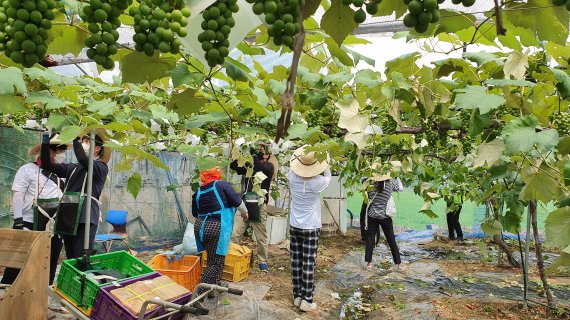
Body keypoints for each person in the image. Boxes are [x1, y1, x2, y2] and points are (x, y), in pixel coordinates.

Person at [1, 135, 68, 286]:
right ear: (45, 151)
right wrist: (19, 221)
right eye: (55, 150)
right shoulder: (27, 170)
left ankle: (42, 293)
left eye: (60, 150)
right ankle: (6, 292)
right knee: (17, 262)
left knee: (48, 263)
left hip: (52, 225)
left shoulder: (62, 173)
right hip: (28, 222)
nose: (58, 153)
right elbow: (18, 194)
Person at [41, 131, 110, 259]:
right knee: (71, 257)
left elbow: (83, 159)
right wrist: (45, 143)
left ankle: (84, 277)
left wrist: (75, 136)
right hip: (69, 214)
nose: (84, 144)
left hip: (85, 215)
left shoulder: (101, 167)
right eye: (83, 141)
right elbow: (46, 164)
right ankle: (73, 278)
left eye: (88, 141)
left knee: (81, 256)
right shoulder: (73, 167)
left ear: (97, 148)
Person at [288, 146, 331, 312]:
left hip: (295, 225)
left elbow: (292, 167)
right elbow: (327, 175)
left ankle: (297, 296)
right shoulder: (317, 183)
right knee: (308, 263)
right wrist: (324, 162)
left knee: (296, 261)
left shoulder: (292, 178)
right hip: (311, 227)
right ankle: (307, 299)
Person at [192, 166, 248, 294]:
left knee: (214, 259)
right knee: (215, 263)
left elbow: (195, 213)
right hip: (216, 226)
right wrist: (245, 214)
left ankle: (214, 288)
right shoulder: (222, 185)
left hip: (200, 226)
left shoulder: (198, 192)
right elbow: (238, 202)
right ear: (217, 174)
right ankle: (197, 295)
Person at [229, 143, 274, 271]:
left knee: (261, 236)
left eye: (264, 150)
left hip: (259, 204)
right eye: (260, 149)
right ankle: (232, 257)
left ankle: (263, 261)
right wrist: (239, 153)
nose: (261, 151)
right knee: (235, 233)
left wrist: (252, 155)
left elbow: (260, 168)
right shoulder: (250, 165)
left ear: (268, 154)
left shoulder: (268, 167)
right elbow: (234, 166)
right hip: (246, 202)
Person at [364, 175, 402, 270]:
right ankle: (398, 264)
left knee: (370, 239)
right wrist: (397, 176)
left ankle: (369, 263)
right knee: (391, 240)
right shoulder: (389, 184)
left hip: (372, 215)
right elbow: (400, 187)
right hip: (385, 217)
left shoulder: (370, 185)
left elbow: (365, 189)